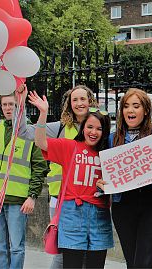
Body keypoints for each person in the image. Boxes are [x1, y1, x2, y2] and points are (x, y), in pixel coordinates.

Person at [29, 90, 113, 269]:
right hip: (72, 215)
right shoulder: (70, 146)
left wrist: (106, 186)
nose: (93, 132)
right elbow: (40, 142)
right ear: (83, 128)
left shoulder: (109, 154)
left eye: (99, 128)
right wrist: (43, 113)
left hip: (99, 217)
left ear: (105, 132)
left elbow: (119, 183)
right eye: (89, 127)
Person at [17, 85, 97, 269]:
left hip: (91, 199)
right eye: (74, 100)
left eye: (82, 99)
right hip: (61, 200)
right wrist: (22, 105)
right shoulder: (60, 128)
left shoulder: (99, 127)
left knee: (88, 252)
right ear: (69, 105)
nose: (79, 103)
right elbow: (24, 132)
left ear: (90, 101)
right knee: (63, 252)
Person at [97, 84, 152, 268]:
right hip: (123, 205)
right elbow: (105, 169)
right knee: (132, 262)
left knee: (143, 263)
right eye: (126, 106)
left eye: (136, 106)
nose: (130, 110)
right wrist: (102, 182)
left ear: (146, 111)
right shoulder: (112, 138)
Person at [0, 93, 48, 269]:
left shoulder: (31, 132)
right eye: (4, 104)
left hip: (17, 200)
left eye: (12, 104)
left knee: (17, 247)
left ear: (19, 105)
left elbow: (39, 167)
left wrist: (32, 196)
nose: (8, 108)